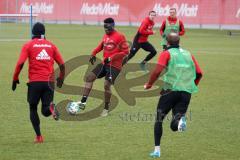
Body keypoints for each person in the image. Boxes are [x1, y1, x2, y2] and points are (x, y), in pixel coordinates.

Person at [144, 32, 203, 158]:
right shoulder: (188, 54)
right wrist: (192, 86)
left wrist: (149, 84)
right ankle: (181, 121)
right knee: (174, 126)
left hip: (169, 91)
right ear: (179, 42)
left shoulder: (166, 53)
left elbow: (158, 70)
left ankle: (157, 150)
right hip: (186, 92)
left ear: (167, 42)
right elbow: (199, 73)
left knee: (159, 119)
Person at [12, 22, 65, 143]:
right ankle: (51, 108)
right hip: (49, 82)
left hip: (35, 82)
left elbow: (20, 63)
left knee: (33, 108)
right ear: (44, 33)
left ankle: (39, 137)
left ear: (33, 33)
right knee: (45, 110)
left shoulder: (28, 45)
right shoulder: (51, 45)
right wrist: (61, 78)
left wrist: (15, 78)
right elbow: (62, 64)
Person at [76, 17, 129, 117]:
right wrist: (94, 53)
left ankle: (106, 108)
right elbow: (102, 45)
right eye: (104, 28)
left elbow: (126, 52)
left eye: (107, 28)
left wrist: (112, 58)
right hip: (105, 64)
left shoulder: (120, 36)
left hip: (115, 66)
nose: (106, 30)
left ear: (112, 26)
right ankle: (83, 103)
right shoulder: (106, 35)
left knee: (106, 85)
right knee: (89, 77)